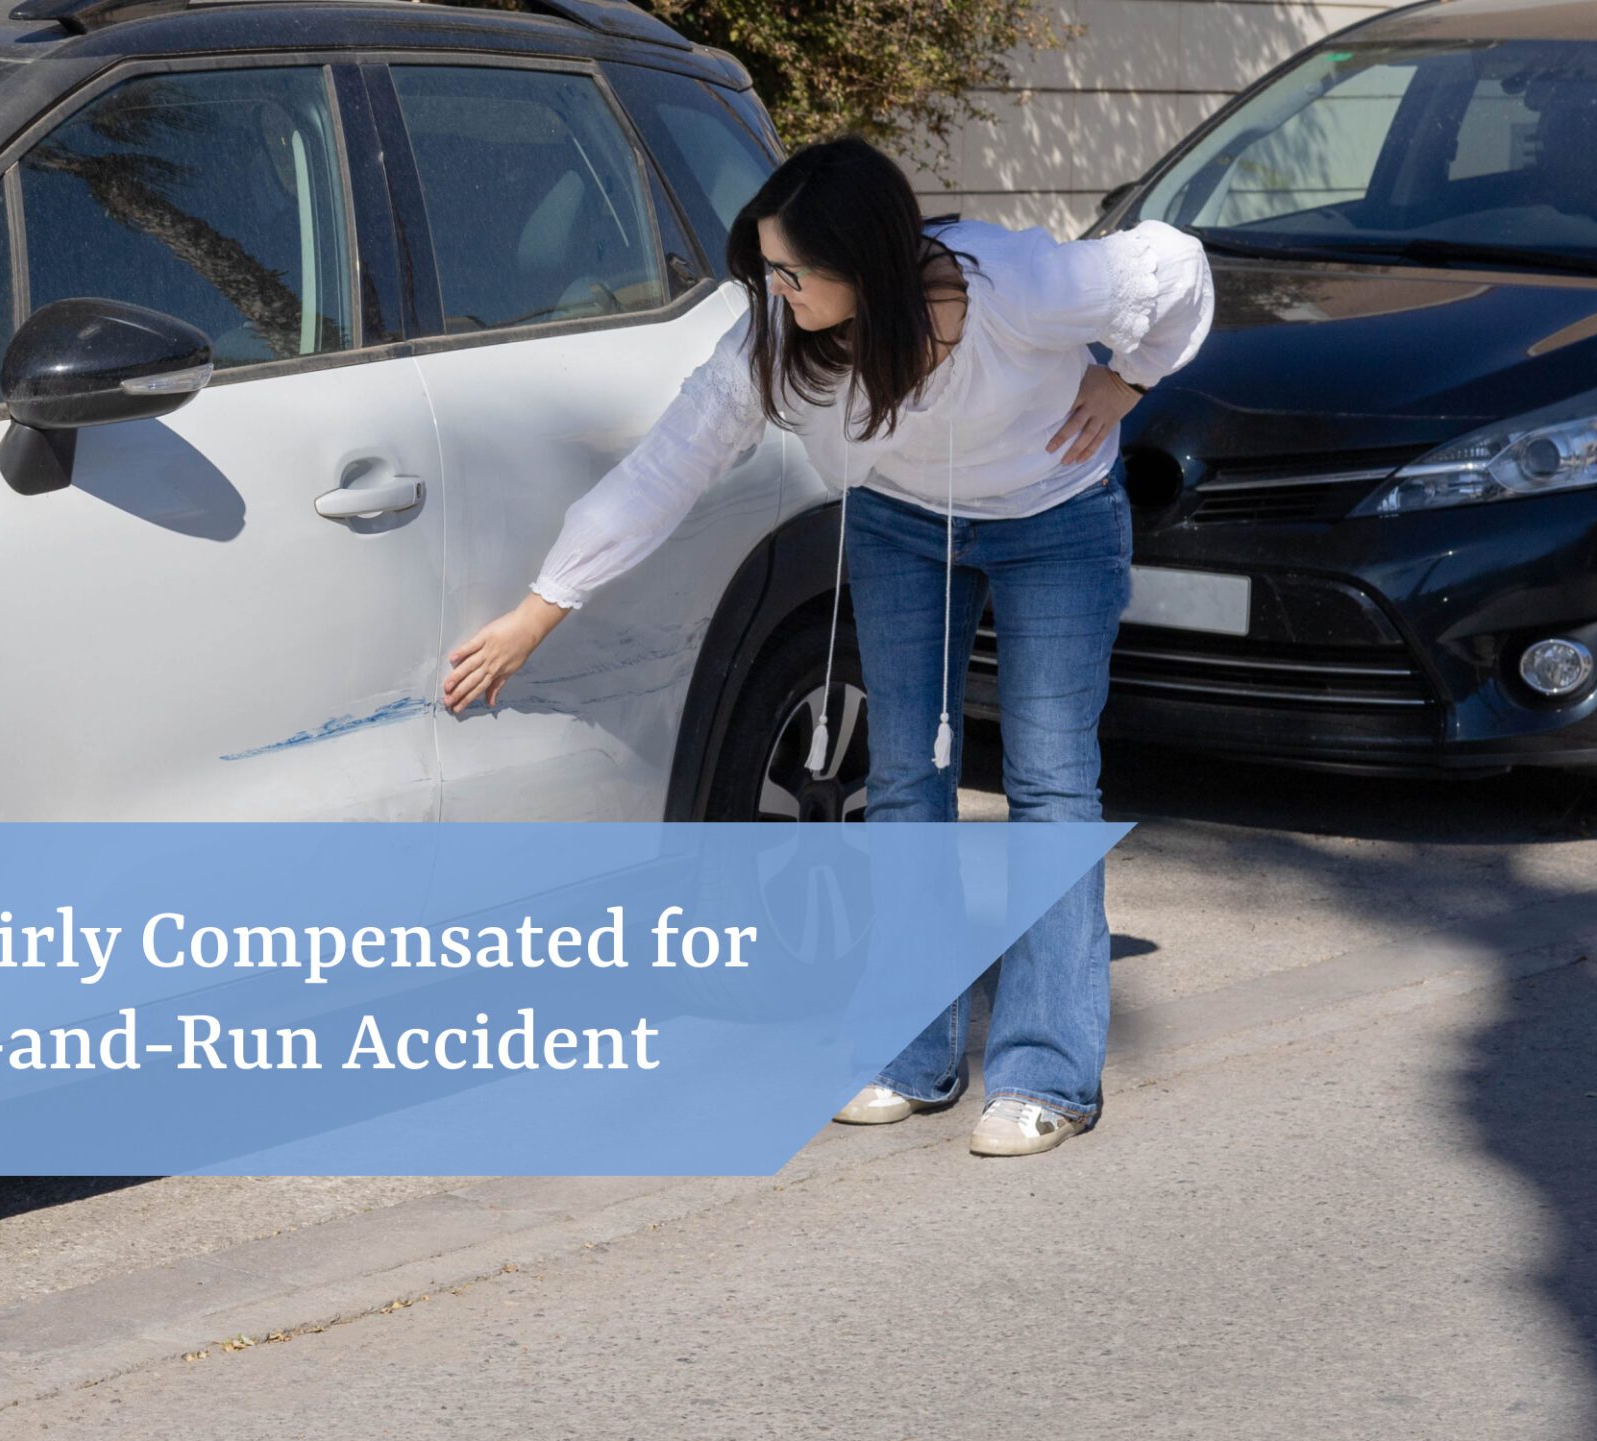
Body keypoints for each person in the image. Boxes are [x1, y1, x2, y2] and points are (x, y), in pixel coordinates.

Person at [440, 136, 1214, 1157]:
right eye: (767, 267)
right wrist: (542, 607)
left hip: (1053, 518)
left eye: (797, 271)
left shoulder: (1016, 283)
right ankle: (908, 1053)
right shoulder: (771, 344)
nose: (777, 288)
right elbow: (665, 470)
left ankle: (1047, 1073)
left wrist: (1133, 381)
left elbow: (1177, 266)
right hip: (900, 524)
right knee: (903, 781)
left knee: (1050, 782)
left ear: (874, 264)